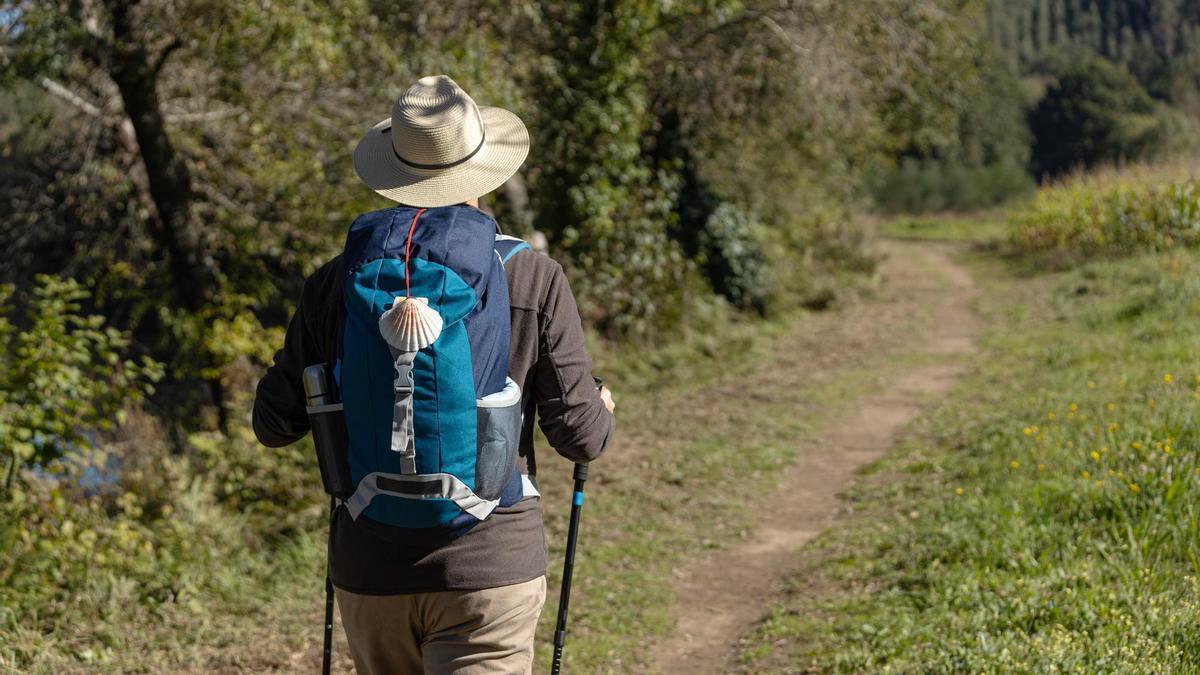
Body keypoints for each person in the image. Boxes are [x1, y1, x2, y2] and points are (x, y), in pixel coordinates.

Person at [252, 75, 615, 674]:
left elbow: (273, 425)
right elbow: (580, 437)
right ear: (484, 171)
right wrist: (601, 407)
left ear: (389, 172)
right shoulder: (532, 278)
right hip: (489, 568)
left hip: (370, 568)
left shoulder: (335, 282)